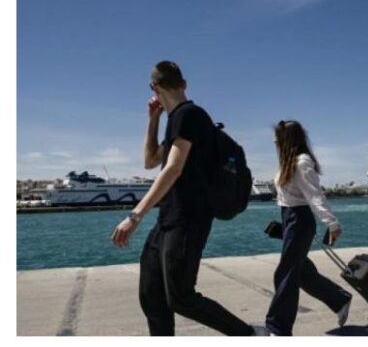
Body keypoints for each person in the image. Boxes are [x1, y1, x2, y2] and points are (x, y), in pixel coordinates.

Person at [111, 60, 265, 335]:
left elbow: (173, 168)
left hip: (188, 219)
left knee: (181, 297)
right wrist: (153, 119)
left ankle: (250, 335)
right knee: (152, 296)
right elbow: (150, 161)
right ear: (183, 84)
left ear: (154, 87)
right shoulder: (177, 121)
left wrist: (134, 216)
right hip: (167, 220)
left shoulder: (190, 115)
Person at [265, 120, 352, 336]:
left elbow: (315, 196)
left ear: (287, 139)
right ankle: (339, 299)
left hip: (300, 221)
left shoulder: (302, 162)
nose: (274, 140)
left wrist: (332, 223)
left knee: (285, 274)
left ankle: (278, 329)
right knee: (301, 272)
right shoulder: (288, 161)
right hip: (290, 219)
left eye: (278, 136)